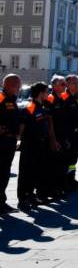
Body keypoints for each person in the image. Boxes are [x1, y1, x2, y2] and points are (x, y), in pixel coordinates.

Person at [17, 82, 59, 209]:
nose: (48, 93)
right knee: (26, 172)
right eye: (46, 91)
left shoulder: (44, 107)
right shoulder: (30, 107)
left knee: (36, 171)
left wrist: (52, 140)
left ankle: (31, 195)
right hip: (30, 145)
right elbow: (22, 127)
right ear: (40, 93)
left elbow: (49, 126)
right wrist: (19, 140)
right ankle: (23, 199)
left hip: (41, 144)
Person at [0, 74, 22, 214]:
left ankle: (1, 201)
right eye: (17, 85)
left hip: (10, 140)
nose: (19, 88)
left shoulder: (12, 99)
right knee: (1, 172)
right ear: (9, 85)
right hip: (1, 141)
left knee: (4, 172)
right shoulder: (1, 97)